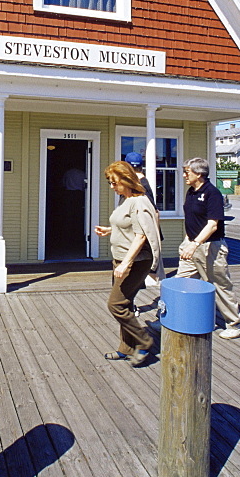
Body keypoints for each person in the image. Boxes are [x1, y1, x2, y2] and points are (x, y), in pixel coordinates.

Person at [94, 161, 162, 366]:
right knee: (126, 304)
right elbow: (128, 227)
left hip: (135, 261)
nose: (112, 187)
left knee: (115, 304)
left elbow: (141, 236)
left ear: (126, 179)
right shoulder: (126, 200)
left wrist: (125, 264)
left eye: (114, 183)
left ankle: (144, 341)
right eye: (109, 183)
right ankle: (125, 349)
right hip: (122, 259)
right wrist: (109, 230)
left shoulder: (140, 201)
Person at [177, 157, 240, 339]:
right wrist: (187, 242)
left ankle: (235, 324)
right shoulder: (191, 192)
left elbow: (212, 225)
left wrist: (194, 244)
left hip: (210, 248)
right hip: (191, 246)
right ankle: (171, 318)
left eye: (187, 172)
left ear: (199, 174)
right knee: (180, 282)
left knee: (219, 286)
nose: (184, 175)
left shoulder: (212, 193)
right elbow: (192, 220)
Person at [124, 152, 166, 285]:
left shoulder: (140, 186)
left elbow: (154, 212)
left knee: (146, 272)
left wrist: (154, 236)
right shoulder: (142, 182)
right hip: (142, 234)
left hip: (142, 235)